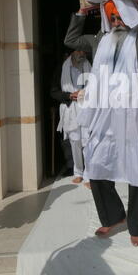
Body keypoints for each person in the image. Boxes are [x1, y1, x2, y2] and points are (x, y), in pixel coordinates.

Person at [64, 0, 138, 247]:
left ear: (127, 13)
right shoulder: (100, 39)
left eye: (119, 17)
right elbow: (71, 38)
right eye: (111, 19)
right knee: (97, 164)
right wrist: (81, 12)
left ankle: (136, 226)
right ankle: (113, 216)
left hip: (136, 111)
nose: (116, 23)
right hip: (104, 114)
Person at [51, 49, 92, 187]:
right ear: (72, 52)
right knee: (75, 142)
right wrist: (69, 96)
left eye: (84, 51)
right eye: (79, 50)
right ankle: (78, 172)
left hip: (86, 107)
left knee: (88, 142)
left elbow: (97, 86)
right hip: (71, 109)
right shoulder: (62, 68)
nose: (82, 53)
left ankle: (88, 175)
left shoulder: (89, 66)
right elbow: (53, 92)